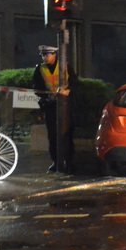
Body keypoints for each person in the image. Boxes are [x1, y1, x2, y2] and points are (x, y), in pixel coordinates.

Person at [32, 45, 76, 174]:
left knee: (67, 134)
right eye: (42, 55)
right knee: (52, 135)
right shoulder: (40, 69)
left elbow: (75, 82)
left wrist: (68, 91)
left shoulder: (65, 66)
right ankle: (56, 162)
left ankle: (69, 162)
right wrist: (46, 95)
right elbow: (36, 87)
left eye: (47, 54)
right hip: (50, 106)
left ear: (54, 54)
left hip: (66, 105)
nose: (44, 57)